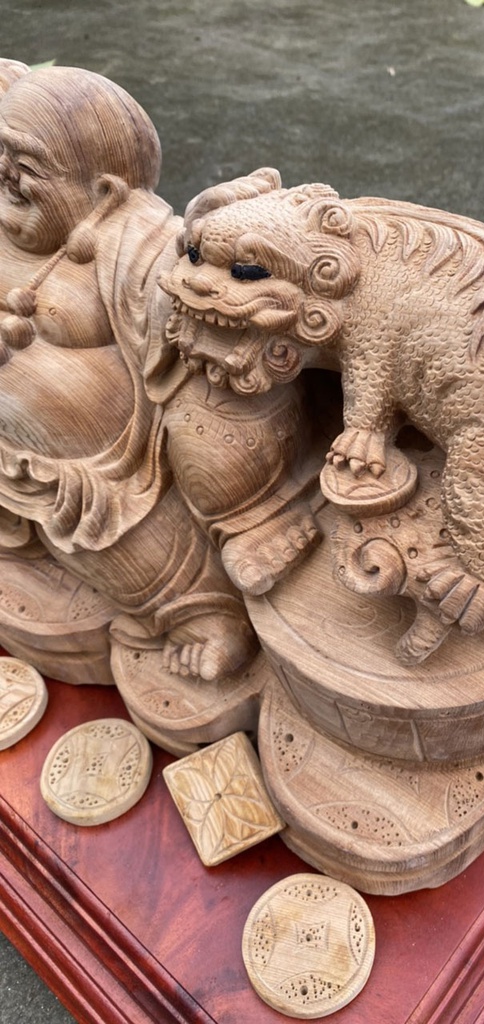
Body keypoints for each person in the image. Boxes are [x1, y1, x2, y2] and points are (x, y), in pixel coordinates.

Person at [0, 62, 255, 681]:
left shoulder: (132, 241)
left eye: (26, 165)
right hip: (16, 455)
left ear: (105, 194)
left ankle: (203, 614)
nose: (6, 173)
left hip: (109, 470)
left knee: (130, 549)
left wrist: (219, 241)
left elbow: (183, 287)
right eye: (1, 153)